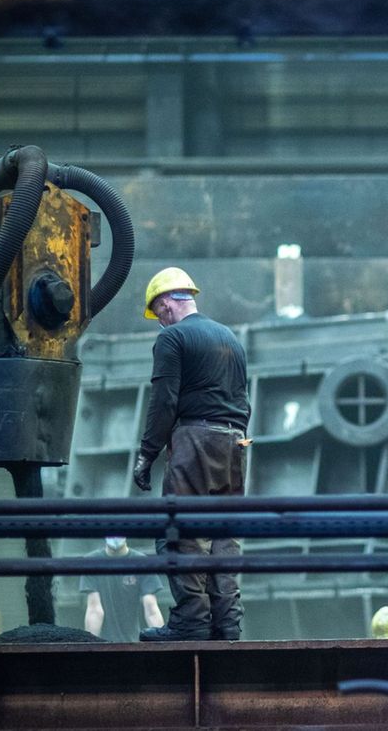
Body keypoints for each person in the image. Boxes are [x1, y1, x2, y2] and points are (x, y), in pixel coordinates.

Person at [130, 267, 251, 642]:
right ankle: (226, 625)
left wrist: (146, 455)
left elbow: (164, 402)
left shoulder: (173, 338)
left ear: (166, 303)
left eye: (158, 313)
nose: (160, 321)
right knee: (223, 536)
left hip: (195, 442)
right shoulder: (229, 337)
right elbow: (243, 399)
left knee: (180, 533)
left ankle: (191, 622)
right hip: (235, 444)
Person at [80, 536, 166, 643]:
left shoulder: (142, 563)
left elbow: (151, 609)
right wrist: (91, 645)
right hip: (105, 645)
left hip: (132, 642)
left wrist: (162, 644)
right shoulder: (92, 562)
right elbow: (94, 610)